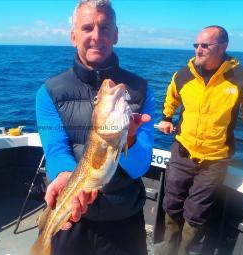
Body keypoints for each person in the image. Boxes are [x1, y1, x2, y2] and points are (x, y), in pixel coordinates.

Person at [35, 1, 155, 254]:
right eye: (87, 27)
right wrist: (65, 175)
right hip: (73, 218)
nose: (96, 36)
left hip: (123, 220)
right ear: (73, 35)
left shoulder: (141, 90)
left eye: (105, 28)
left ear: (116, 35)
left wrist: (130, 140)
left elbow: (140, 166)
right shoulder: (49, 92)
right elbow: (55, 148)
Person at [156, 25, 243, 255]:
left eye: (205, 45)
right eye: (196, 45)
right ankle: (168, 249)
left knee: (197, 212)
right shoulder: (183, 74)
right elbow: (172, 97)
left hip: (215, 159)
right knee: (171, 202)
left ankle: (184, 251)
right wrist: (167, 118)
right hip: (182, 151)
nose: (198, 50)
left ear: (223, 47)